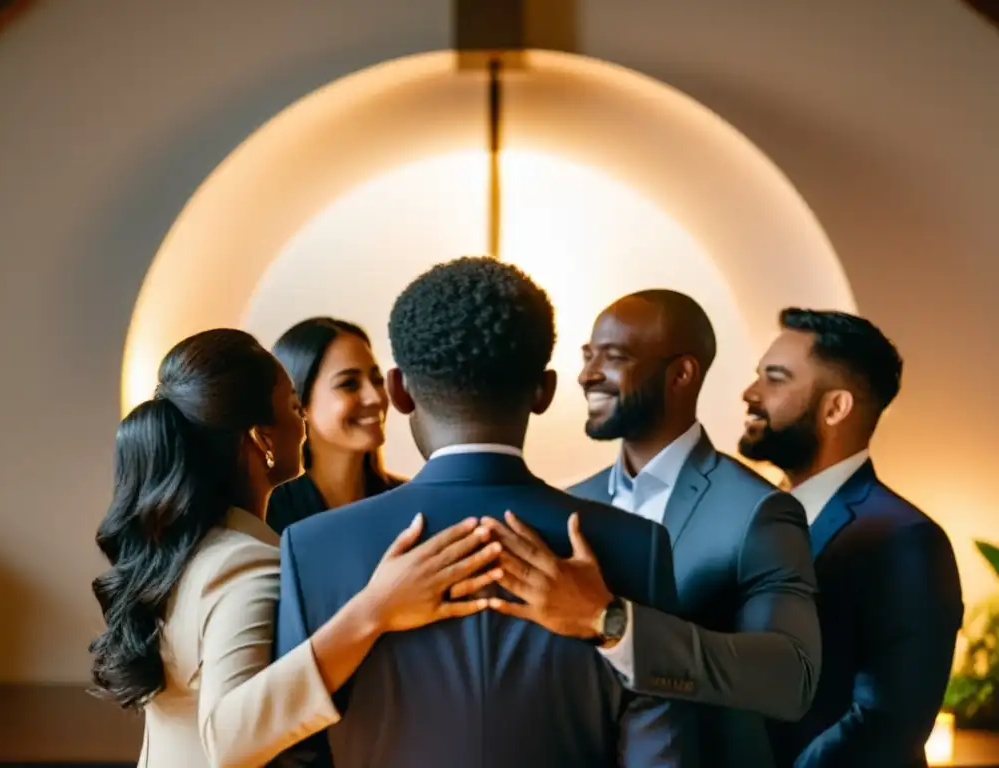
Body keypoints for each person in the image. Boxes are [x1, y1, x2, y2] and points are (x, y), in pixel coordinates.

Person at [272, 257, 688, 768]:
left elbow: (289, 749)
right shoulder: (636, 545)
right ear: (544, 391)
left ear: (399, 391)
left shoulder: (310, 548)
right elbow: (661, 752)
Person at [88, 328, 499, 768]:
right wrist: (375, 611)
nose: (301, 420)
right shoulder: (245, 565)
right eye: (292, 406)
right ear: (261, 438)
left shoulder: (186, 552)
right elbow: (231, 739)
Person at [492, 290, 821, 767]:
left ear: (681, 374)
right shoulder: (568, 504)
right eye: (588, 356)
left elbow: (791, 679)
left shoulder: (760, 511)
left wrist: (611, 622)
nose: (587, 375)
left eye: (615, 356)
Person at [739, 308, 963, 768]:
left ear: (835, 407)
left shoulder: (907, 540)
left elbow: (885, 720)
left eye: (775, 379)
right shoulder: (745, 516)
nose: (751, 393)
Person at [266, 317, 402, 535]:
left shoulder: (406, 502)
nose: (375, 397)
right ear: (298, 404)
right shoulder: (268, 516)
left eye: (376, 379)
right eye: (349, 384)